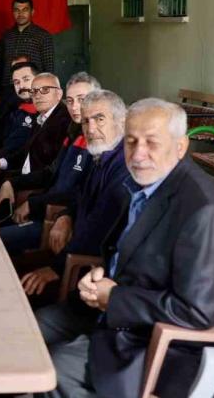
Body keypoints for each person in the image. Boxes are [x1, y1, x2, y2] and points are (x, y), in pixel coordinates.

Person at [34, 99, 214, 398]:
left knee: (51, 371)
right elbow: (135, 255)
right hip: (123, 316)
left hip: (168, 348)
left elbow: (199, 314)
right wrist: (100, 275)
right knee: (28, 331)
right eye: (131, 141)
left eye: (152, 142)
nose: (138, 154)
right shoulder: (146, 186)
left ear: (181, 146)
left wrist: (114, 297)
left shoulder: (203, 211)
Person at [10, 90, 129, 303]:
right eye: (85, 121)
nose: (90, 129)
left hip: (87, 271)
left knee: (13, 283)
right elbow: (81, 196)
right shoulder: (102, 154)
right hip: (68, 249)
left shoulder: (124, 166)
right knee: (7, 265)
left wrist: (57, 267)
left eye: (100, 119)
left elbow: (100, 228)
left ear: (121, 121)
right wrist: (65, 215)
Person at [0, 72, 100, 222]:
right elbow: (51, 172)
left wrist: (34, 203)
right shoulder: (72, 131)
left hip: (57, 215)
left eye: (82, 99)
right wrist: (11, 181)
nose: (74, 107)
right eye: (70, 101)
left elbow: (81, 193)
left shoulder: (99, 143)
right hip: (42, 201)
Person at [0, 73, 71, 200]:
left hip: (35, 190)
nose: (37, 95)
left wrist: (12, 183)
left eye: (45, 90)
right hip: (19, 177)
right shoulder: (42, 116)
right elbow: (25, 151)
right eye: (34, 91)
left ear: (59, 94)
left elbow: (52, 173)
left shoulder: (64, 122)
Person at [0, 0, 54, 100]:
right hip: (7, 90)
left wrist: (46, 93)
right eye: (17, 10)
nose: (20, 14)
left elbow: (49, 69)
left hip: (32, 90)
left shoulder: (43, 36)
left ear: (32, 12)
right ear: (13, 12)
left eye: (25, 10)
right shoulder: (6, 36)